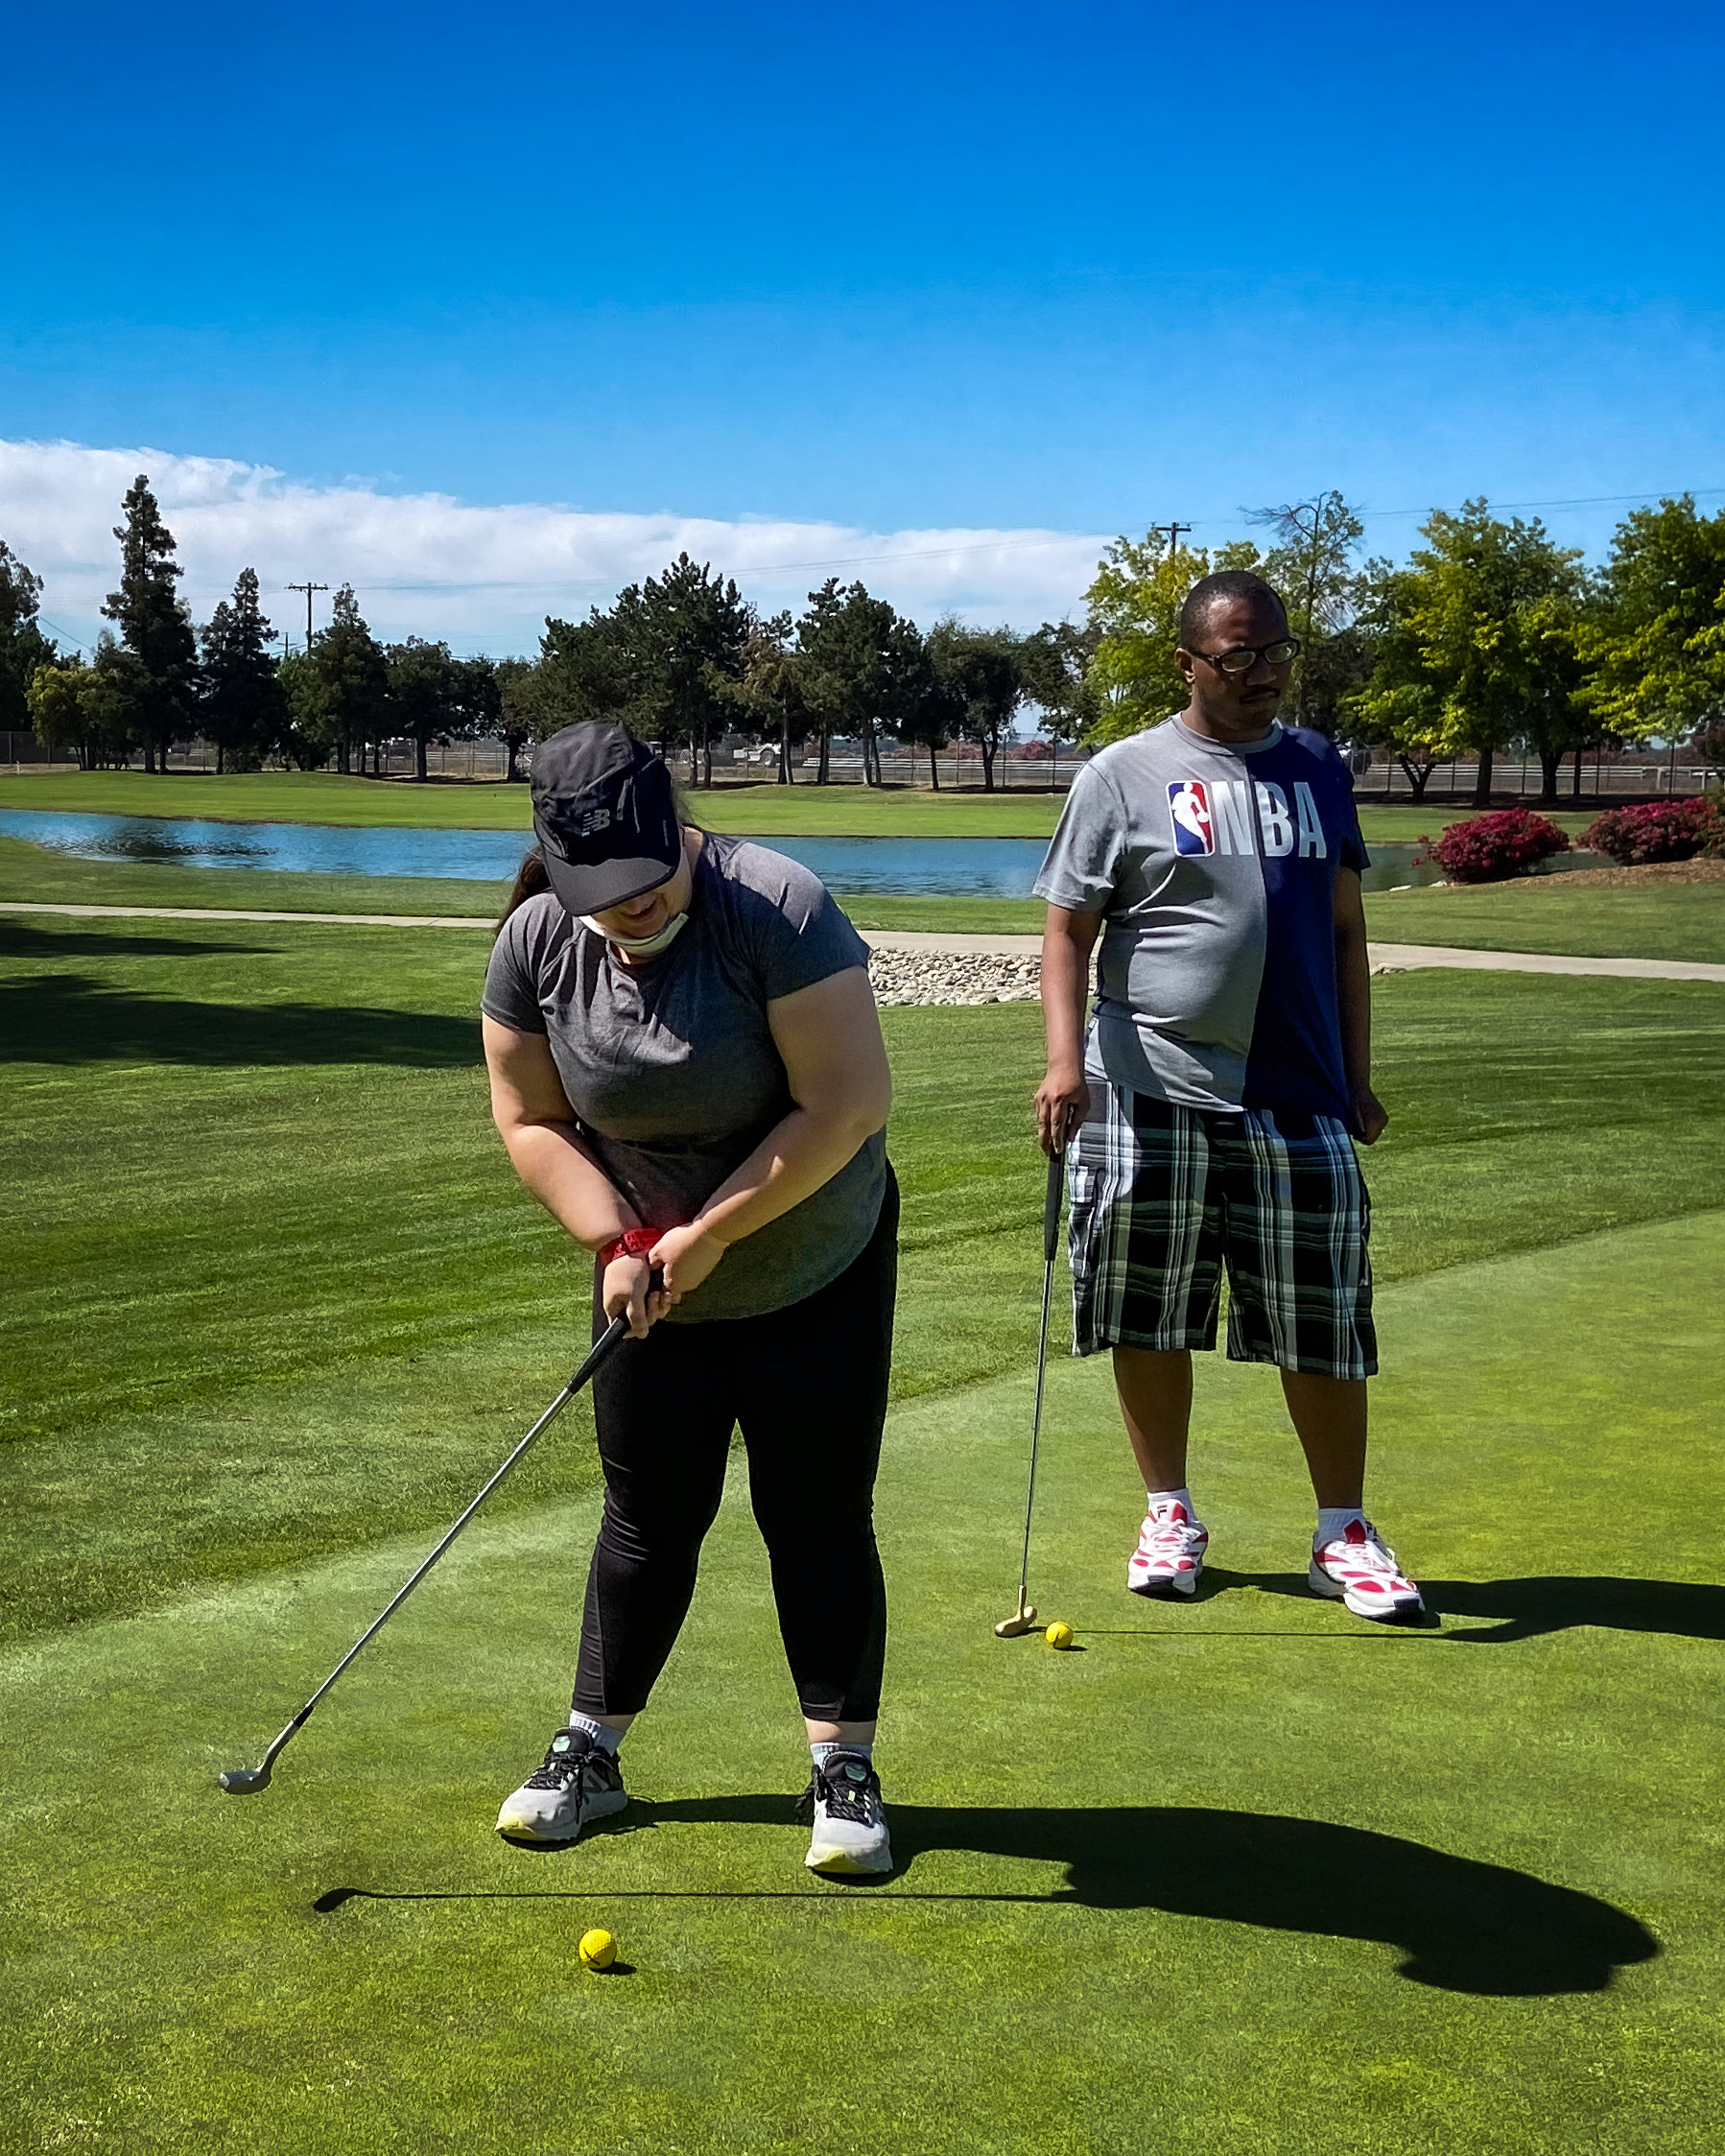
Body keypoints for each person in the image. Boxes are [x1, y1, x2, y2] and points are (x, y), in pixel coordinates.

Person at [481, 722, 899, 1874]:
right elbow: (531, 1120)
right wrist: (615, 1241)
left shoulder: (779, 907)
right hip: (647, 1282)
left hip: (813, 1257)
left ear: (679, 827)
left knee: (813, 1512)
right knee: (647, 1517)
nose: (630, 909)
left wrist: (708, 1234)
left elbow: (848, 1105)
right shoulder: (533, 943)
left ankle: (841, 1768)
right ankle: (590, 1751)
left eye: (648, 881)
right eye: (600, 893)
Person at [1032, 571, 1423, 1621]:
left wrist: (1355, 1076)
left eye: (1275, 653)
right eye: (1236, 657)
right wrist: (1065, 1063)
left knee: (1323, 1316)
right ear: (1187, 663)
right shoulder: (1121, 776)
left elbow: (1345, 931)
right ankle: (1168, 1511)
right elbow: (1067, 933)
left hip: (1296, 1092)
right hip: (1147, 1084)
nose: (1259, 675)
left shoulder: (1316, 769)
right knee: (1146, 1310)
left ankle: (1341, 1530)